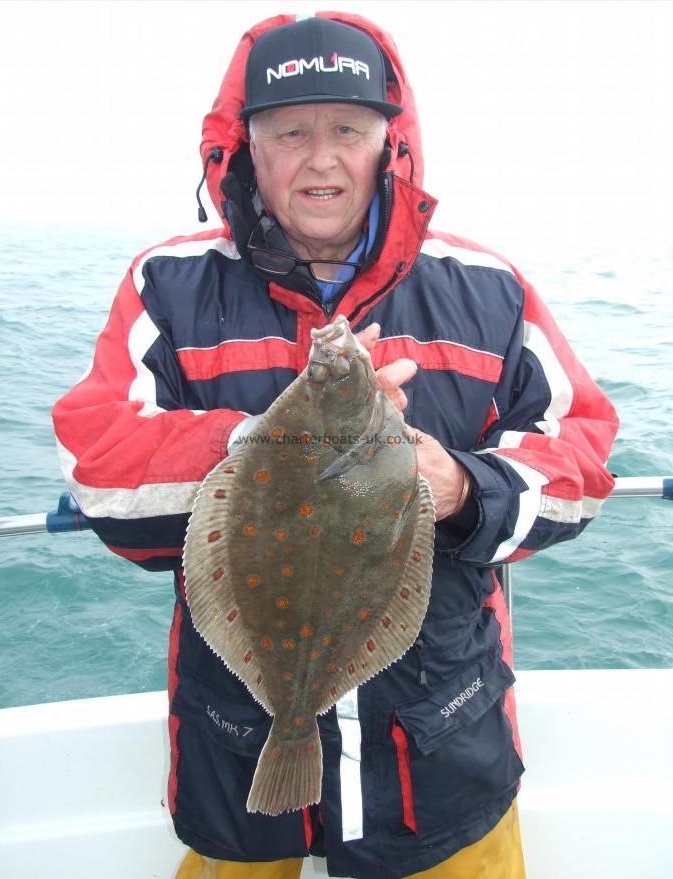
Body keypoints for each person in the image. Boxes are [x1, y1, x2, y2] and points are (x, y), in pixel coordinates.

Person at [52, 12, 618, 879]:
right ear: (247, 149)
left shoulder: (490, 290)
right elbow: (100, 468)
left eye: (346, 130)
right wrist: (267, 448)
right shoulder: (166, 283)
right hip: (239, 751)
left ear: (388, 142)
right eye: (290, 134)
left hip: (438, 752)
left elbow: (582, 453)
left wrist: (467, 488)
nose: (320, 159)